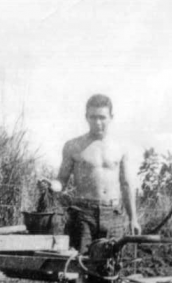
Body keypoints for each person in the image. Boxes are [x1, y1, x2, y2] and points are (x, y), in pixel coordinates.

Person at [49, 94, 141, 252]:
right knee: (83, 264)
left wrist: (133, 218)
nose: (98, 123)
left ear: (111, 117)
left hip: (113, 214)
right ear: (86, 117)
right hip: (84, 216)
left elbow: (126, 185)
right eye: (93, 117)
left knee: (111, 267)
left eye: (102, 117)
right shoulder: (73, 146)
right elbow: (61, 181)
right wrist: (51, 185)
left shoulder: (120, 147)